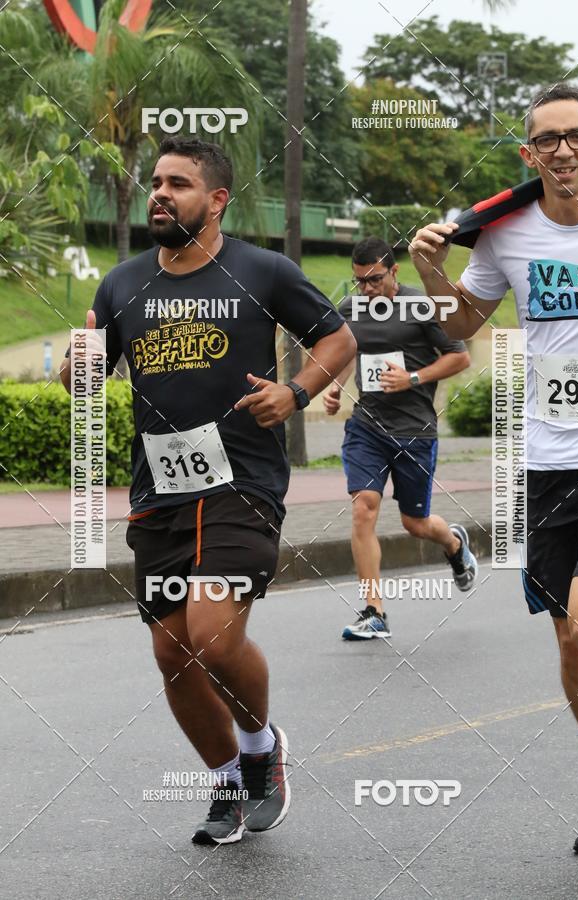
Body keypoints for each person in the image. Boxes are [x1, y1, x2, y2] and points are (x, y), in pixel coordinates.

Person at [60, 136, 356, 844]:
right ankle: (226, 779)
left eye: (180, 184)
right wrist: (76, 368)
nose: (161, 193)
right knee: (171, 652)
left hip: (241, 481)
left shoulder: (264, 270)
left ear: (217, 200)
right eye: (157, 183)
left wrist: (294, 391)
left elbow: (338, 339)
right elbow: (88, 380)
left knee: (213, 637)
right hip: (159, 489)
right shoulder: (123, 283)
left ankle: (261, 752)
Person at [409, 83, 578, 857]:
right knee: (569, 643)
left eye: (576, 136)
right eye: (547, 140)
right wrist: (429, 270)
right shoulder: (504, 234)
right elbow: (461, 325)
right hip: (546, 459)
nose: (562, 150)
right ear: (528, 155)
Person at [322, 237, 476, 641]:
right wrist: (335, 386)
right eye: (359, 281)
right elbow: (340, 351)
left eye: (374, 279)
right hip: (367, 427)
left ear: (394, 271)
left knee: (416, 523)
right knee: (363, 508)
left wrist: (412, 378)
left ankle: (455, 545)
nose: (367, 289)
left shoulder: (421, 306)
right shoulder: (351, 309)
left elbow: (460, 357)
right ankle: (374, 611)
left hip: (414, 431)